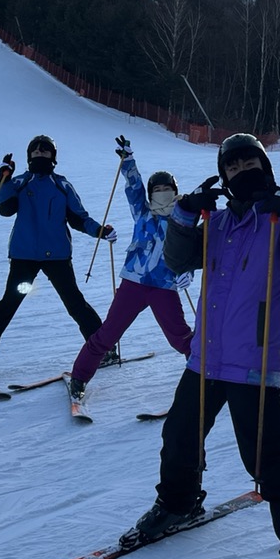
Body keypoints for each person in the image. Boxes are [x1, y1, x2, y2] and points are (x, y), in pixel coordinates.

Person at [123, 133, 280, 559]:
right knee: (179, 436)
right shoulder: (217, 222)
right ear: (223, 176)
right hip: (206, 357)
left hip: (253, 359)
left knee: (267, 461)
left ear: (266, 168)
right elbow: (177, 261)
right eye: (234, 166)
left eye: (251, 162)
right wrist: (185, 213)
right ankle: (179, 502)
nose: (243, 171)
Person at [0, 135, 115, 378]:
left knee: (74, 303)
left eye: (45, 150)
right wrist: (4, 180)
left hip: (56, 256)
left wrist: (99, 231)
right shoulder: (20, 182)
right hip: (24, 256)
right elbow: (5, 210)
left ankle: (103, 350)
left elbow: (79, 218)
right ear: (29, 156)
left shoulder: (62, 185)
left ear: (53, 157)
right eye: (35, 150)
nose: (39, 152)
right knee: (9, 305)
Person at [68, 136, 193, 401]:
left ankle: (207, 373)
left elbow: (192, 251)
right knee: (107, 334)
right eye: (157, 189)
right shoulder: (143, 213)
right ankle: (79, 378)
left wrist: (188, 271)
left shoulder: (183, 218)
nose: (162, 193)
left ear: (175, 190)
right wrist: (128, 161)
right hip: (133, 284)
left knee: (180, 338)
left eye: (166, 188)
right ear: (151, 194)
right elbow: (134, 188)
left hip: (164, 287)